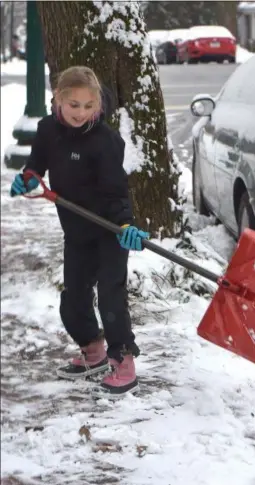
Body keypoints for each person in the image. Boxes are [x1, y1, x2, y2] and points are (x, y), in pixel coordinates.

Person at [10, 66, 149, 396]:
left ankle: (123, 359)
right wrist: (29, 176)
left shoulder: (106, 141)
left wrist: (126, 225)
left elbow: (116, 191)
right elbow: (37, 163)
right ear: (58, 98)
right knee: (74, 297)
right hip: (76, 229)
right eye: (73, 104)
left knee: (111, 295)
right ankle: (93, 349)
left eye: (88, 105)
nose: (81, 113)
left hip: (109, 228)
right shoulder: (47, 130)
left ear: (97, 103)